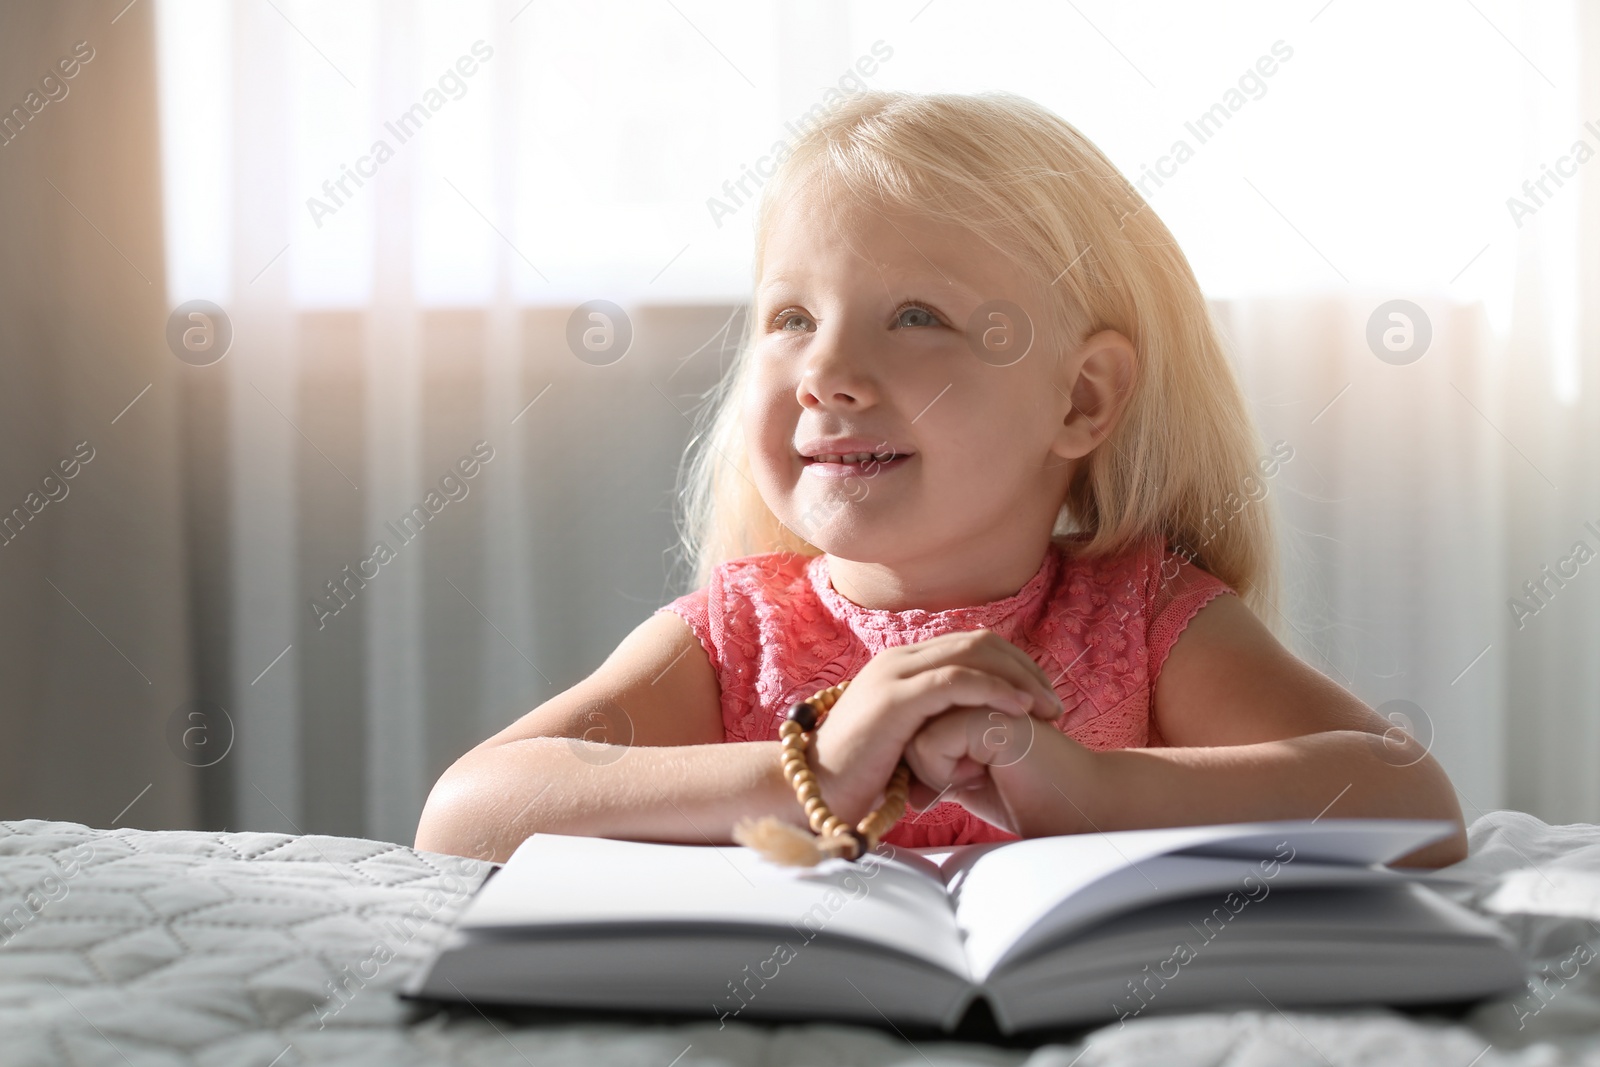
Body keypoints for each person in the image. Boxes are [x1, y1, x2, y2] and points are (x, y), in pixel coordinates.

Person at [414, 91, 1466, 868]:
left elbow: (1410, 803)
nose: (824, 373)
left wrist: (1089, 788)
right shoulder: (737, 632)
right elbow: (467, 809)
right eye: (791, 319)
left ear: (1081, 399)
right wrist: (811, 768)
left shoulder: (1146, 618)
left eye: (916, 317)